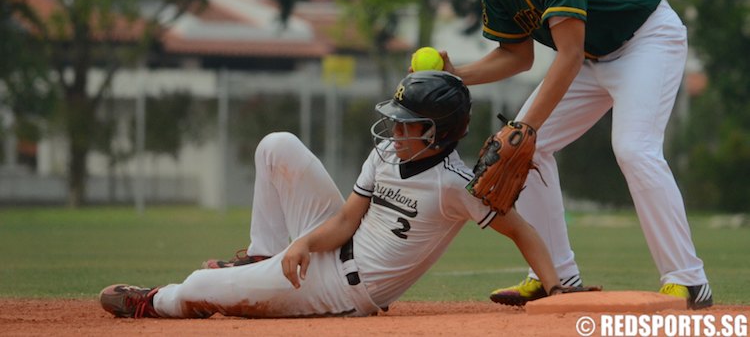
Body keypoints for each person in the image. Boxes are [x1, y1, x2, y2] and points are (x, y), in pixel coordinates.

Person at [432, 0, 712, 309]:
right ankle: (557, 277)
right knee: (530, 150)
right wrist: (456, 74)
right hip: (593, 58)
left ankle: (689, 278)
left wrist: (522, 128)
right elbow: (516, 56)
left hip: (647, 40)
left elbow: (568, 53)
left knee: (633, 148)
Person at [99, 71, 568, 319]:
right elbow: (345, 221)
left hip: (345, 293)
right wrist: (301, 243)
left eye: (407, 122)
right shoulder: (387, 151)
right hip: (334, 249)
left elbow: (522, 231)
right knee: (276, 145)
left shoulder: (453, 185)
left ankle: (157, 302)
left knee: (198, 287)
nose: (394, 127)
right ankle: (263, 256)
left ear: (436, 132)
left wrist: (556, 291)